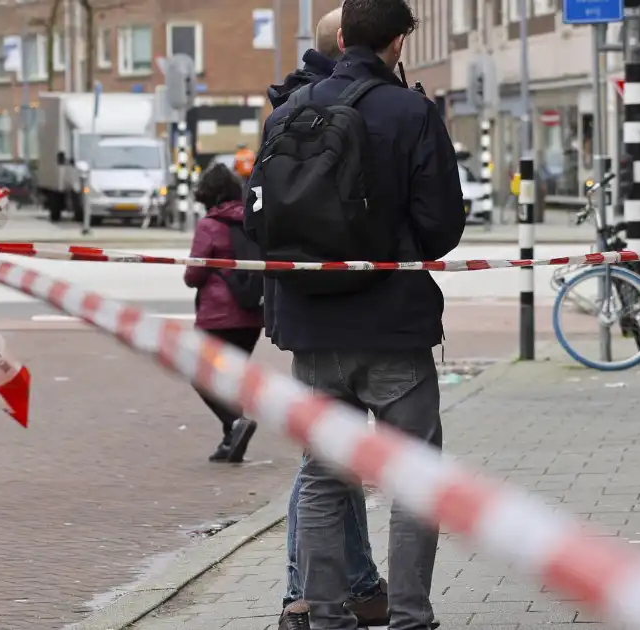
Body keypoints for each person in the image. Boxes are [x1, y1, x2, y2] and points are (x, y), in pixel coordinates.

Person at [245, 0, 466, 626]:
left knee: (322, 476)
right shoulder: (412, 112)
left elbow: (260, 216)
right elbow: (441, 223)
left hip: (313, 328)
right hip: (392, 325)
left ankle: (327, 617)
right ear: (397, 42)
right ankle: (409, 617)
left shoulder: (288, 110)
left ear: (341, 39)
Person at [264, 8, 391, 630]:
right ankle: (303, 594)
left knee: (334, 458)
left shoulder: (286, 108)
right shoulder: (346, 106)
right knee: (322, 466)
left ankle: (359, 584)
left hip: (299, 303)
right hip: (348, 306)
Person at [183, 163, 262, 462]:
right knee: (231, 376)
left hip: (218, 317)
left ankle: (235, 424)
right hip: (251, 314)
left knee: (197, 370)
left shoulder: (209, 225)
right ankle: (232, 439)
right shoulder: (250, 222)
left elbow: (194, 275)